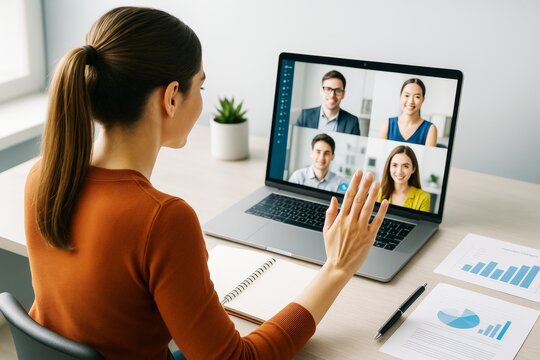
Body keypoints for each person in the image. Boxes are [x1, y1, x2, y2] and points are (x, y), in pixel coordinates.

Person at [24, 6, 389, 360]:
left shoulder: (43, 177)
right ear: (170, 97)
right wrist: (337, 268)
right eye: (200, 85)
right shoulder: (163, 218)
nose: (202, 99)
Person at [296, 70, 360, 135]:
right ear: (321, 91)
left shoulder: (352, 122)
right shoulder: (305, 115)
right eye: (328, 89)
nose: (332, 95)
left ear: (343, 94)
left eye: (338, 90)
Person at [378, 78, 438, 146]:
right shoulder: (387, 124)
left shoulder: (430, 129)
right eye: (407, 95)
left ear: (423, 100)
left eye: (417, 97)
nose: (411, 101)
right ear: (400, 96)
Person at [377, 145, 431, 212]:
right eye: (395, 165)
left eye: (405, 166)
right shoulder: (379, 192)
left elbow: (422, 222)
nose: (399, 171)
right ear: (389, 167)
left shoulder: (423, 197)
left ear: (413, 169)